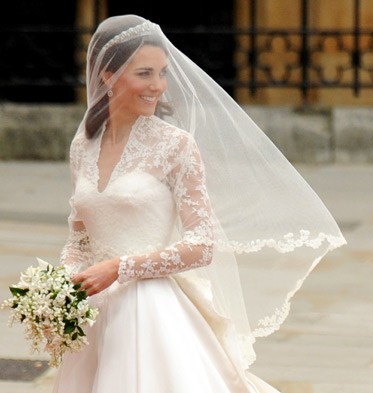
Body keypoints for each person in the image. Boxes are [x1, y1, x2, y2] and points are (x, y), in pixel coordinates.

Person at [52, 14, 346, 393]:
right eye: (144, 73)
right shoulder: (83, 146)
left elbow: (202, 245)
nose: (158, 86)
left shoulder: (175, 145)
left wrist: (120, 268)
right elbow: (78, 240)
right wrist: (62, 286)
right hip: (93, 312)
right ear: (107, 75)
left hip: (152, 309)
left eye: (162, 73)